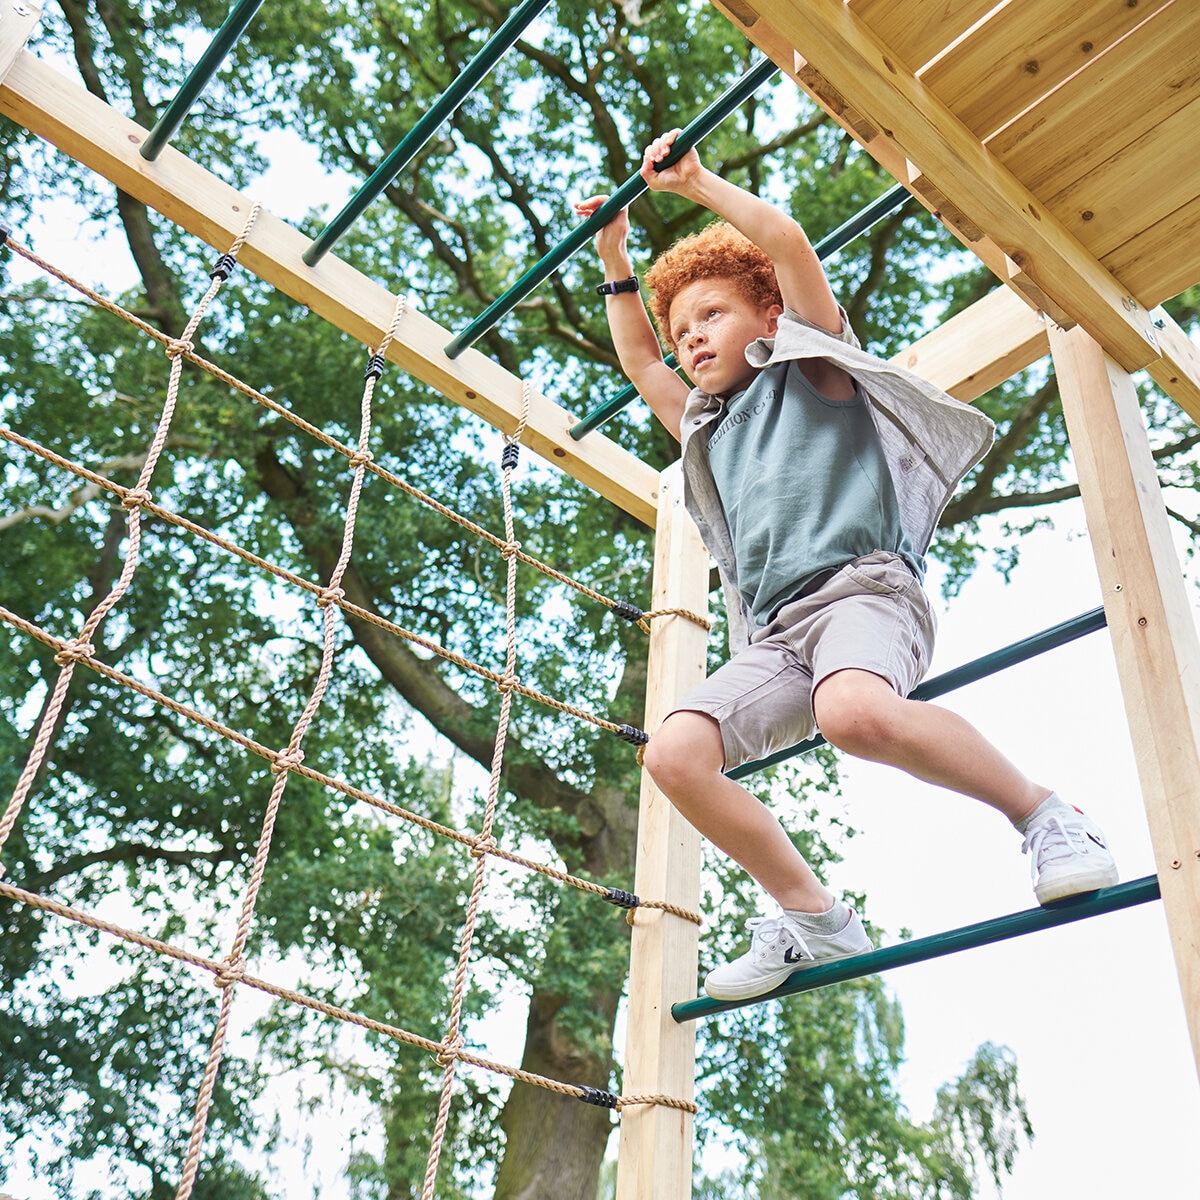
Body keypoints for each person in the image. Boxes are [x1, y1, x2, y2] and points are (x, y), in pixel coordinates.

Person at [576, 129, 1119, 1002]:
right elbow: (639, 357)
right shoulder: (706, 430)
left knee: (854, 712)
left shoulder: (813, 367)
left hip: (864, 591)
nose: (690, 340)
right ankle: (815, 919)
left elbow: (786, 246)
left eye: (711, 315)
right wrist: (614, 255)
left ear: (769, 317)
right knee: (674, 753)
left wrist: (699, 184)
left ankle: (1048, 816)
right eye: (684, 331)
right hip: (778, 634)